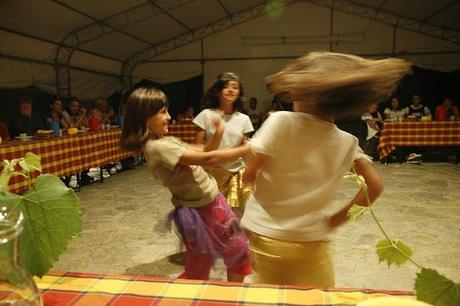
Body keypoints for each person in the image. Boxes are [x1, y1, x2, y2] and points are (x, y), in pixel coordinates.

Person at [241, 52, 410, 286]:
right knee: (318, 296)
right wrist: (335, 220)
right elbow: (375, 186)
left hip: (266, 234)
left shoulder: (279, 121)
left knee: (272, 296)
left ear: (305, 94)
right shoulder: (347, 142)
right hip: (312, 238)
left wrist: (253, 175)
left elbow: (250, 172)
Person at [120, 87, 251, 282]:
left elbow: (203, 150)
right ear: (145, 117)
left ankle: (201, 294)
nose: (169, 116)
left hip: (201, 205)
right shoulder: (159, 147)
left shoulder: (165, 142)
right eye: (163, 112)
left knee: (202, 261)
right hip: (205, 207)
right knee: (238, 249)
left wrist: (218, 132)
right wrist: (247, 148)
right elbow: (208, 159)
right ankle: (232, 297)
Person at [193, 72, 254, 217]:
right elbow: (198, 147)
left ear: (239, 93)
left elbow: (245, 149)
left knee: (239, 215)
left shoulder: (244, 119)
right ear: (218, 91)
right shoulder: (205, 115)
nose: (231, 90)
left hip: (237, 174)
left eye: (235, 87)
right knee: (212, 216)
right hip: (211, 175)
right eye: (226, 86)